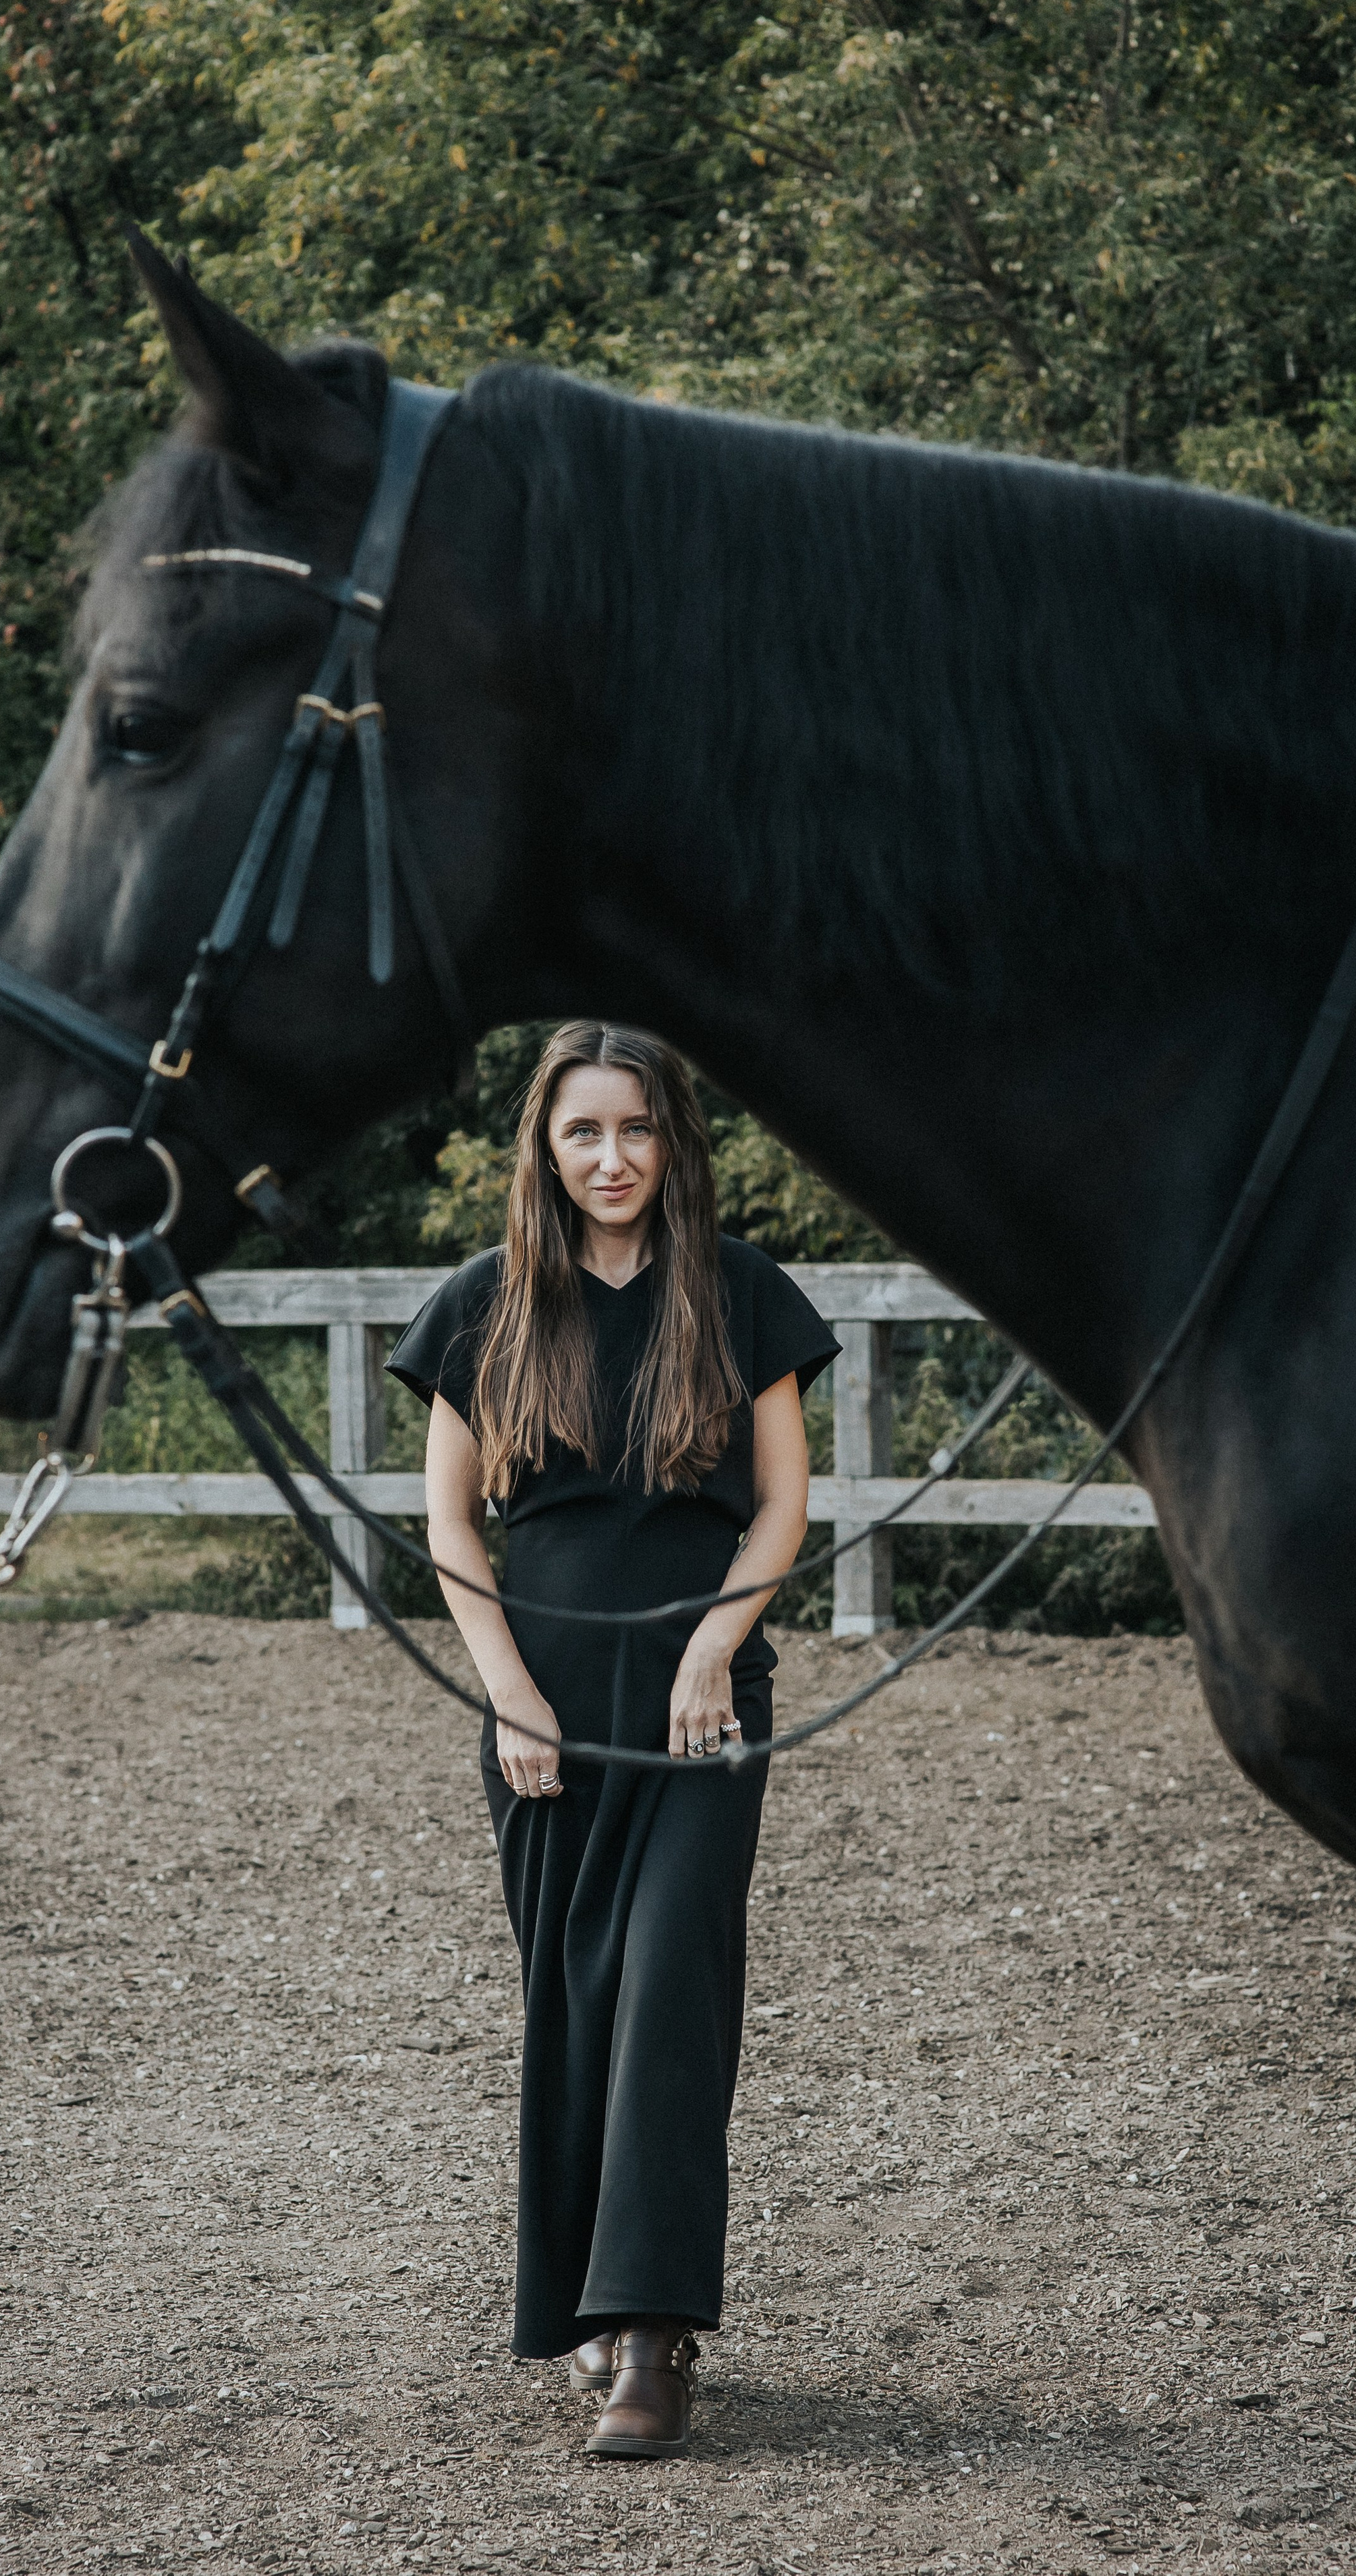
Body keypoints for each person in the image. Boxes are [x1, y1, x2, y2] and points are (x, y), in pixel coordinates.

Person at [386, 1023, 837, 2458]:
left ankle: (652, 2338)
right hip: (544, 1712)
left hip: (702, 1712)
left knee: (668, 1998)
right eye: (580, 1133)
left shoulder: (741, 1293)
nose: (609, 1158)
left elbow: (779, 1507)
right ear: (544, 1149)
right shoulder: (485, 1304)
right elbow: (452, 1526)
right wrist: (507, 1693)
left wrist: (715, 1646)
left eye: (632, 1130)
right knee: (573, 1998)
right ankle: (592, 2305)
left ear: (671, 1141)